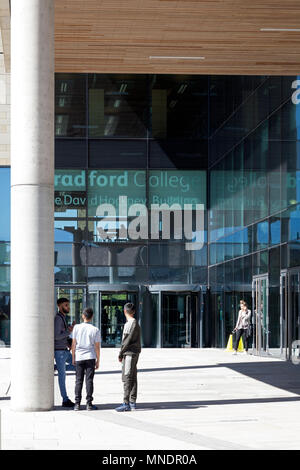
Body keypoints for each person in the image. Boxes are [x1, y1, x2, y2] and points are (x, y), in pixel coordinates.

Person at [71, 307, 100, 411]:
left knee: (78, 380)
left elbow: (73, 344)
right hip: (90, 357)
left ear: (83, 316)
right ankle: (89, 403)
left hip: (79, 356)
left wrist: (73, 357)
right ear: (92, 317)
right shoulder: (95, 329)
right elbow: (97, 346)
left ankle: (77, 404)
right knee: (89, 380)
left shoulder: (76, 328)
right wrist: (98, 360)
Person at [115, 303, 141, 412]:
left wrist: (121, 353)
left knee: (127, 377)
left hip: (129, 353)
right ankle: (132, 402)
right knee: (133, 376)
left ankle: (126, 403)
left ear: (125, 311)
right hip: (135, 352)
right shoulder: (136, 323)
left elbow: (125, 341)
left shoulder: (129, 324)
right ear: (134, 311)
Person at [54, 297, 76, 408]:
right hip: (60, 352)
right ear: (60, 306)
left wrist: (69, 331)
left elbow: (63, 334)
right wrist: (69, 331)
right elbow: (57, 336)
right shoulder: (58, 319)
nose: (68, 307)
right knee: (62, 377)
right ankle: (65, 399)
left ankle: (57, 366)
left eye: (68, 305)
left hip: (65, 351)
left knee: (77, 365)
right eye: (66, 305)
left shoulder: (63, 317)